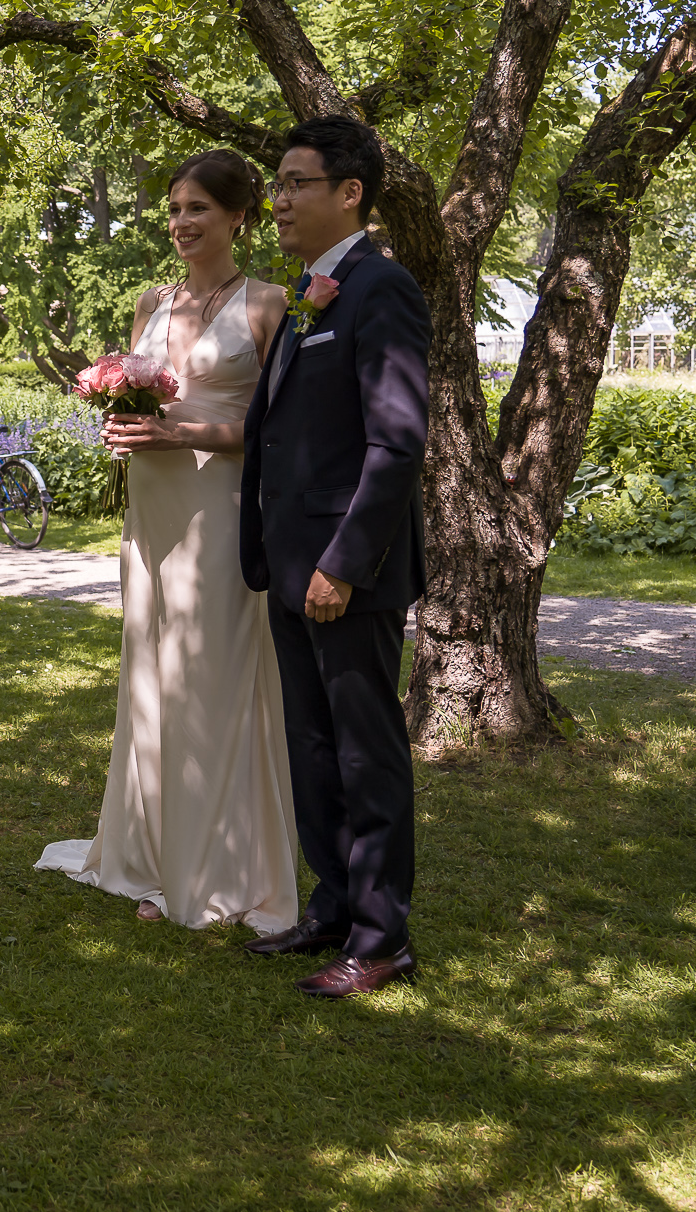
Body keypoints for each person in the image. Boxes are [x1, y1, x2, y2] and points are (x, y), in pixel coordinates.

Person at [34, 151, 296, 934]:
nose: (182, 223)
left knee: (210, 675)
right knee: (152, 674)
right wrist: (123, 425)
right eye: (174, 209)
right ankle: (148, 853)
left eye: (198, 210)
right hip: (149, 508)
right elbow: (137, 392)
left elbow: (282, 430)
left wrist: (182, 431)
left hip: (219, 509)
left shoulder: (268, 304)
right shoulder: (152, 299)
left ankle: (213, 866)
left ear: (238, 216)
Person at [238, 116, 430, 999]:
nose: (276, 200)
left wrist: (344, 563)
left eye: (293, 183)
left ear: (349, 192)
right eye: (275, 184)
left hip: (345, 573)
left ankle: (383, 937)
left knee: (364, 752)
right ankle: (335, 904)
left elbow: (394, 445)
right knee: (310, 747)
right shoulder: (310, 294)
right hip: (289, 566)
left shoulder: (380, 290)